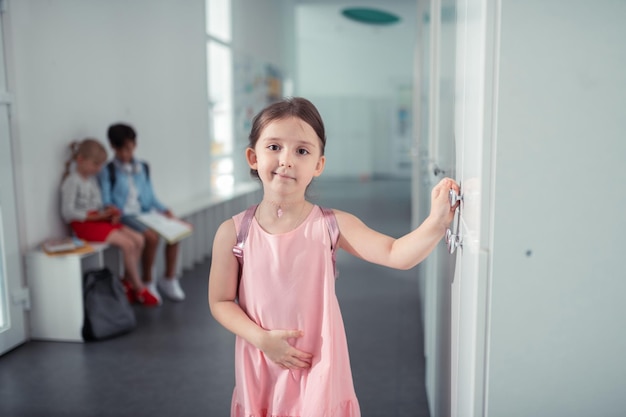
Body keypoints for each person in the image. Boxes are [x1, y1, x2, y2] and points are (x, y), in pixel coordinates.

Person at [208, 97, 460, 417]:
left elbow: (397, 254)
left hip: (319, 364)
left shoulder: (331, 225)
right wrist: (262, 339)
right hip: (261, 361)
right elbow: (220, 301)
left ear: (318, 165)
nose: (286, 160)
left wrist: (436, 222)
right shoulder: (233, 232)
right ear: (252, 157)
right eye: (274, 147)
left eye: (302, 151)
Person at [60, 139, 158, 306]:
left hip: (97, 221)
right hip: (84, 225)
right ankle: (139, 287)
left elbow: (98, 205)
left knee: (139, 239)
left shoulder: (91, 181)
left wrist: (108, 213)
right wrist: (95, 217)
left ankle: (128, 281)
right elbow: (68, 212)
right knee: (127, 244)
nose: (98, 169)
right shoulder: (72, 181)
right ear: (81, 160)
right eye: (95, 164)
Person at [98, 123, 185, 303]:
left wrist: (165, 210)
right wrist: (110, 210)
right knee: (151, 237)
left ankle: (169, 279)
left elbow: (150, 196)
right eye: (121, 150)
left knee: (176, 232)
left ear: (134, 145)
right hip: (125, 216)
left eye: (129, 149)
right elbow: (107, 200)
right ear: (113, 147)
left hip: (145, 212)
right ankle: (148, 281)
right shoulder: (108, 170)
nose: (126, 154)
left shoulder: (143, 167)